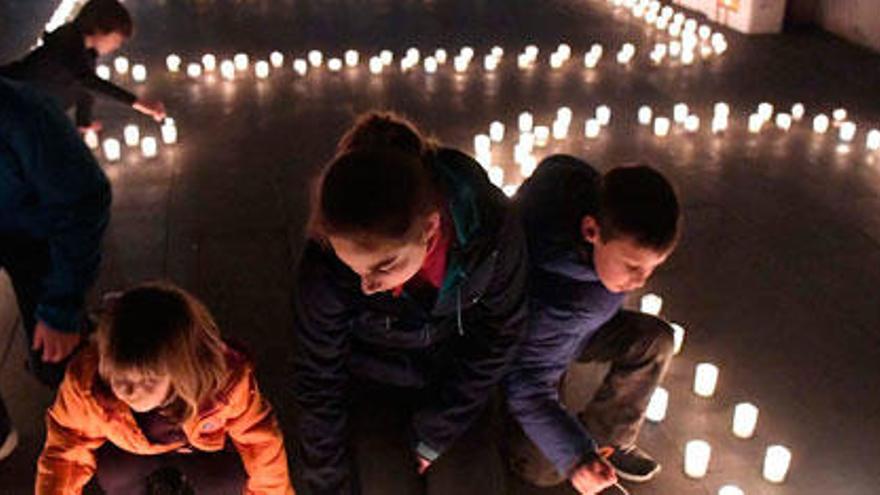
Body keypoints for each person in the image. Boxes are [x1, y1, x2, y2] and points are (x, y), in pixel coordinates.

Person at [291, 112, 527, 494]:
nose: (368, 286)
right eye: (354, 269)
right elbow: (318, 376)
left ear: (431, 228)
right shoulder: (324, 262)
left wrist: (438, 430)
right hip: (373, 382)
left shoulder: (492, 230)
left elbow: (502, 334)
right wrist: (327, 485)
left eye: (385, 264)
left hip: (458, 381)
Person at [505, 155, 681, 495]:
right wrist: (575, 458)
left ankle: (607, 440)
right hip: (527, 349)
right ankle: (502, 439)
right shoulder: (569, 302)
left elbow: (557, 163)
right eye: (631, 266)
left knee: (654, 341)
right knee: (545, 471)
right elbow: (527, 383)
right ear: (591, 230)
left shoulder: (583, 190)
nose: (640, 280)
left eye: (651, 267)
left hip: (578, 332)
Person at [36, 282, 295, 495]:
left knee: (225, 483)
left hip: (205, 447)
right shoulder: (88, 385)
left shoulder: (224, 384)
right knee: (116, 476)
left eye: (147, 381)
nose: (129, 391)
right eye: (118, 377)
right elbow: (65, 449)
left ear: (181, 373)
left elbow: (260, 443)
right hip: (129, 447)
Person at [0, 76, 112, 462]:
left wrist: (61, 307)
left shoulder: (22, 115)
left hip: (34, 233)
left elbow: (84, 200)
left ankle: (107, 427)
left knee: (57, 357)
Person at [0, 0, 166, 133]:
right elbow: (87, 81)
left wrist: (83, 122)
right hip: (8, 100)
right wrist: (139, 103)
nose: (117, 45)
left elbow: (84, 89)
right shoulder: (66, 40)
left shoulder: (86, 55)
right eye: (118, 39)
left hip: (26, 114)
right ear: (101, 28)